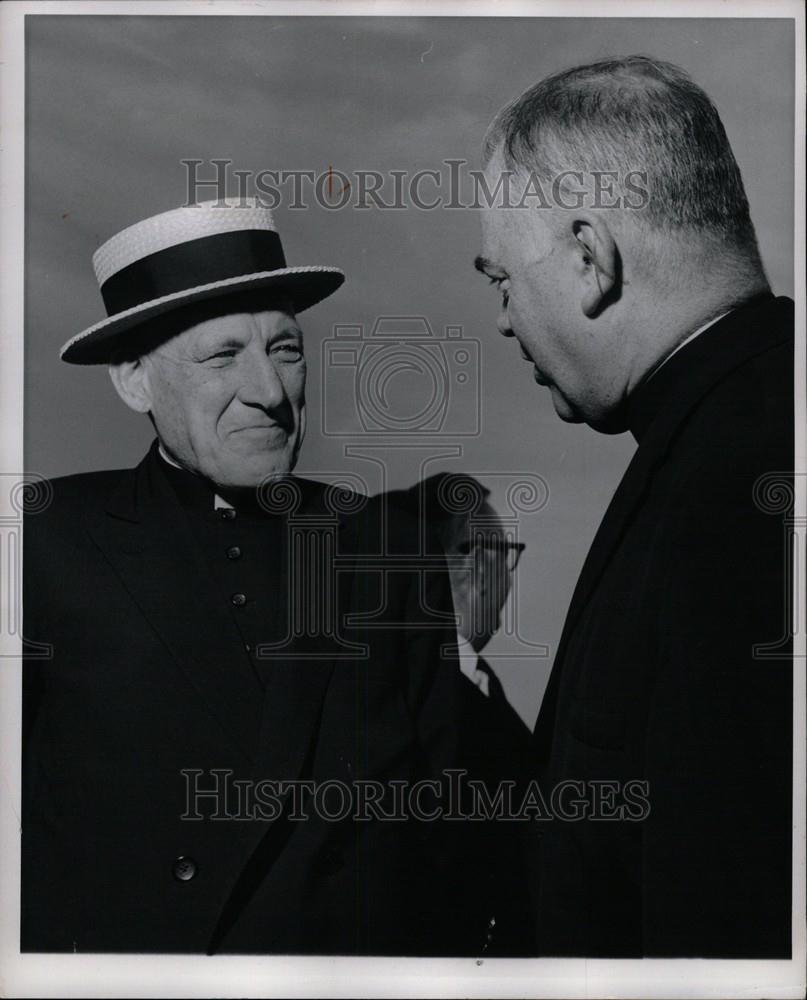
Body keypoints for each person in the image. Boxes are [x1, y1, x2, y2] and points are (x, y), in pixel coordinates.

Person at [21, 198, 483, 955]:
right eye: (221, 355)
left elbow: (446, 836)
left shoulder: (386, 549)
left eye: (287, 350)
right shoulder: (46, 539)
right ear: (134, 380)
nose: (270, 392)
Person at [475, 56, 793, 957]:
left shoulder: (739, 482)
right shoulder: (734, 428)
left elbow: (729, 911)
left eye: (500, 278)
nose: (503, 319)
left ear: (588, 260)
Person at [383, 472, 533, 953]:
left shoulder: (472, 687)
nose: (510, 575)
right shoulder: (429, 701)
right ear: (474, 565)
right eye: (508, 555)